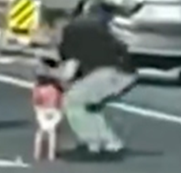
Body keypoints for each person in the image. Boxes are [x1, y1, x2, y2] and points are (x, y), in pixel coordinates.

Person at [56, 11, 137, 159]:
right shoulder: (91, 29)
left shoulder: (69, 35)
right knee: (90, 106)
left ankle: (94, 143)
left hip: (110, 73)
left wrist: (53, 78)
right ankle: (108, 143)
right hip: (127, 73)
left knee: (72, 101)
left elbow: (69, 72)